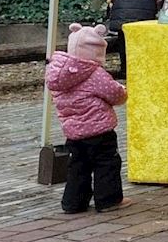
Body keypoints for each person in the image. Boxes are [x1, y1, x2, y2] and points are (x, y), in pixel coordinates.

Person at [46, 23, 127, 213]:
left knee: (77, 167)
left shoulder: (57, 75)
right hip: (99, 130)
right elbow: (115, 94)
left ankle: (73, 203)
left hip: (73, 132)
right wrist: (123, 91)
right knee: (106, 164)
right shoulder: (95, 73)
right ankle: (108, 200)